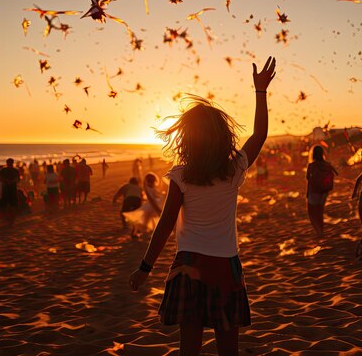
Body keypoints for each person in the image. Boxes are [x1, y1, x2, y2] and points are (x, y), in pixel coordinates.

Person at [128, 56, 276, 356]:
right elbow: (259, 135)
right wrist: (260, 92)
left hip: (189, 265)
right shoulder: (234, 169)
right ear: (223, 136)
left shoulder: (182, 175)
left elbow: (166, 225)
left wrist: (145, 267)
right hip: (225, 265)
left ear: (188, 139)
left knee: (189, 348)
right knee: (227, 348)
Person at [306, 145, 338, 237]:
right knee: (320, 213)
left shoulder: (311, 165)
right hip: (324, 191)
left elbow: (308, 178)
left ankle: (318, 232)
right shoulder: (327, 165)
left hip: (314, 191)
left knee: (312, 214)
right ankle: (321, 231)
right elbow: (335, 174)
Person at [123, 173, 166, 238]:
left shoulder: (153, 188)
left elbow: (157, 195)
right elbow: (151, 198)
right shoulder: (147, 188)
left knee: (148, 220)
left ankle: (139, 232)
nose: (151, 183)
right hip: (149, 206)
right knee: (142, 220)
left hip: (152, 205)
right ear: (147, 181)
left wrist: (163, 194)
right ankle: (135, 232)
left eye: (152, 182)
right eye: (149, 181)